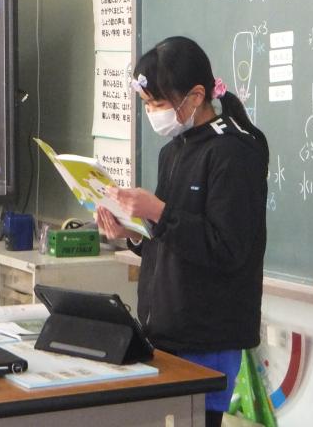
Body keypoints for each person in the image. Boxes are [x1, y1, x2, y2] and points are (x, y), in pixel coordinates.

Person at [96, 36, 269, 427]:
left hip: (208, 337)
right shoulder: (173, 150)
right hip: (162, 332)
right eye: (146, 104)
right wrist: (133, 233)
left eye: (158, 103)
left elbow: (227, 248)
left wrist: (158, 211)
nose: (152, 113)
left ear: (196, 95)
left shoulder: (234, 152)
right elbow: (172, 238)